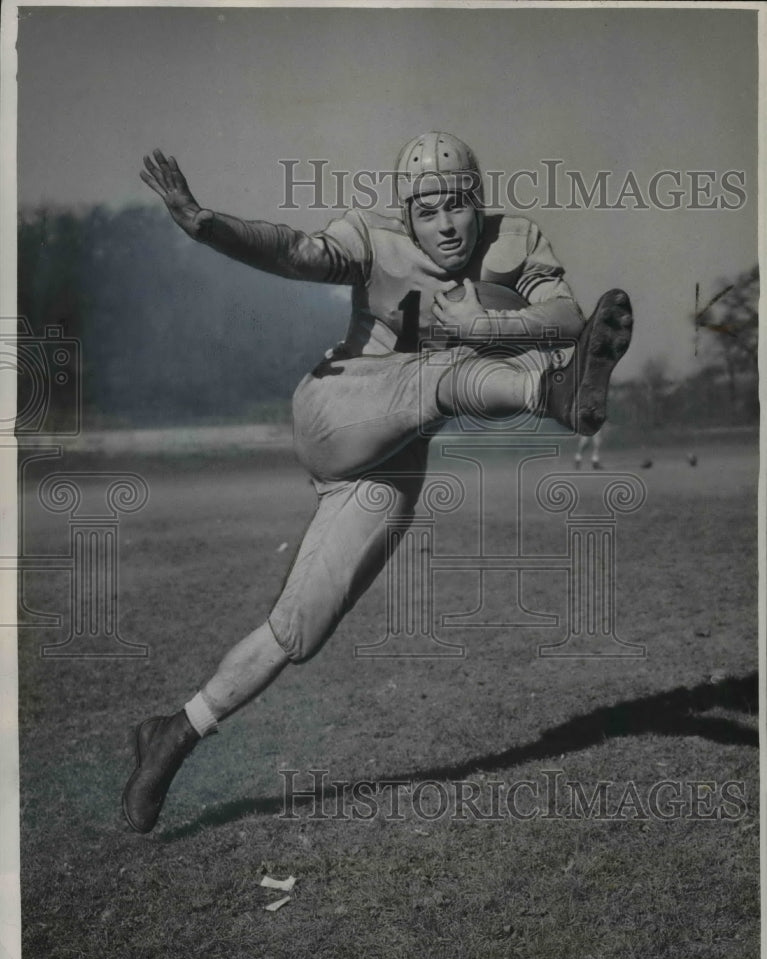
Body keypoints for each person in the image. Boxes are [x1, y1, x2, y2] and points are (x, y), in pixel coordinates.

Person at [123, 132, 633, 833]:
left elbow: (567, 317)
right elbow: (296, 252)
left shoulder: (512, 238)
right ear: (407, 213)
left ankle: (175, 731)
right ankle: (549, 395)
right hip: (339, 408)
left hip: (395, 450)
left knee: (300, 628)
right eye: (429, 211)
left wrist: (487, 321)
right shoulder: (373, 235)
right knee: (441, 374)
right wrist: (209, 226)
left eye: (458, 206)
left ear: (476, 202)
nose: (447, 225)